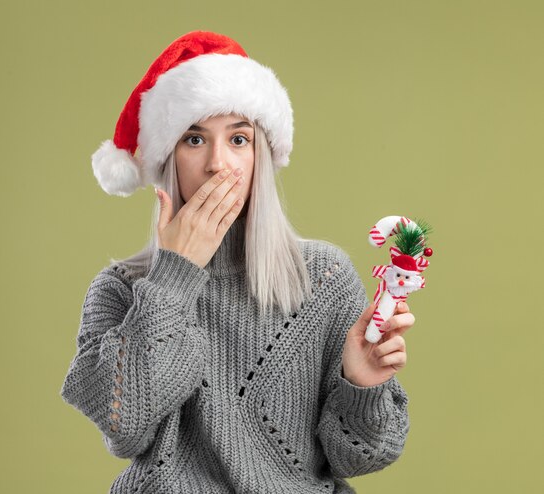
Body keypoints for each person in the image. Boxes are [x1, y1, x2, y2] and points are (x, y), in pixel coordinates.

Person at [60, 30, 414, 494]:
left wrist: (360, 384)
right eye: (194, 139)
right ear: (169, 158)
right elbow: (125, 427)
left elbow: (362, 455)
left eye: (239, 139)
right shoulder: (121, 288)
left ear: (260, 156)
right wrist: (173, 276)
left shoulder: (324, 277)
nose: (216, 164)